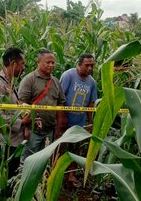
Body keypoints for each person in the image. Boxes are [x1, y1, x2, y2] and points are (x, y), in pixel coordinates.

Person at [0, 47, 30, 178]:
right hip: (4, 144)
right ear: (13, 63)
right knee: (2, 181)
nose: (24, 68)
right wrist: (21, 122)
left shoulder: (9, 84)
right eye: (22, 64)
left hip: (13, 142)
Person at [18, 49, 66, 161]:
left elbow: (60, 105)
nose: (51, 65)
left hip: (49, 131)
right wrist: (26, 127)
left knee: (44, 162)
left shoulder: (55, 82)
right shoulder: (29, 80)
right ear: (38, 62)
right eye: (47, 62)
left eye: (53, 63)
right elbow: (22, 103)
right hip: (33, 131)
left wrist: (58, 128)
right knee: (28, 160)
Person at [59, 54, 98, 186]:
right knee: (58, 146)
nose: (90, 68)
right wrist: (62, 117)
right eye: (87, 65)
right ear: (79, 64)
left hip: (79, 122)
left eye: (92, 65)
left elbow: (91, 104)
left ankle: (71, 175)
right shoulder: (68, 76)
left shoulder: (92, 82)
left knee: (75, 149)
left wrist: (90, 122)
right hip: (64, 119)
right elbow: (60, 97)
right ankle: (55, 172)